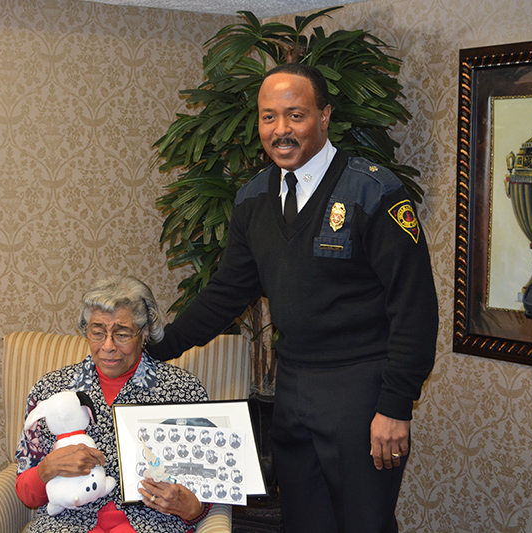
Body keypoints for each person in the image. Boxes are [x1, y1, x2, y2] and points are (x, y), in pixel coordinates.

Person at [147, 63, 439, 533]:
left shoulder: (374, 190)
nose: (280, 130)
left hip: (361, 390)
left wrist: (395, 405)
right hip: (294, 387)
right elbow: (226, 293)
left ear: (324, 117)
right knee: (304, 523)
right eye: (268, 117)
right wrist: (155, 348)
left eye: (295, 115)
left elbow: (415, 307)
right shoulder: (251, 199)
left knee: (365, 523)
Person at [15, 275, 213, 533]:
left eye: (121, 334)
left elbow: (209, 487)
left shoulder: (183, 390)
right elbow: (26, 493)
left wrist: (192, 509)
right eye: (98, 332)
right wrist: (48, 469)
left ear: (143, 334)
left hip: (154, 526)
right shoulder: (52, 390)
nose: (107, 346)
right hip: (65, 525)